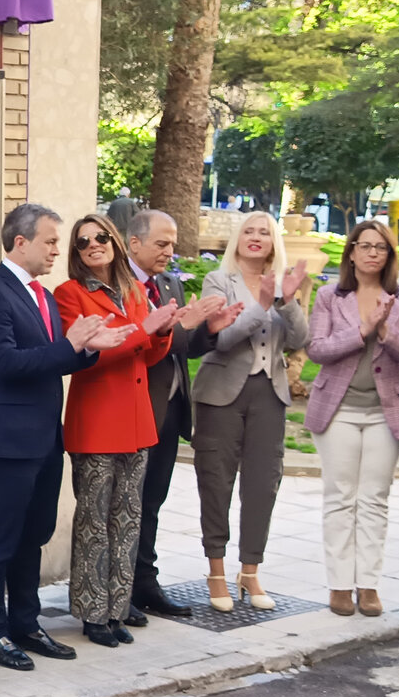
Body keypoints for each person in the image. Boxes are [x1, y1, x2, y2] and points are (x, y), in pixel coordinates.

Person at [0, 203, 129, 669]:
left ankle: (26, 623)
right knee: (1, 539)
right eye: (51, 241)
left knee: (33, 536)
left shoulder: (40, 294)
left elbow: (53, 358)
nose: (59, 249)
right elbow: (4, 364)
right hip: (9, 440)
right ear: (21, 242)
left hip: (44, 437)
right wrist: (70, 345)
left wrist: (87, 351)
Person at [54, 214, 182, 646]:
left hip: (137, 423)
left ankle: (116, 609)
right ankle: (93, 614)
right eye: (83, 241)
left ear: (115, 242)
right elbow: (90, 355)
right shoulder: (70, 294)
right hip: (96, 424)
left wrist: (161, 333)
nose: (93, 244)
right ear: (76, 252)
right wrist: (143, 330)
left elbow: (147, 356)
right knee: (94, 523)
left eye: (101, 236)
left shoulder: (133, 292)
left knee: (127, 522)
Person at [304, 221, 399, 616]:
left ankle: (368, 585)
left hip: (384, 412)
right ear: (352, 253)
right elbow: (317, 349)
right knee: (340, 497)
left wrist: (386, 330)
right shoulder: (329, 295)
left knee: (374, 499)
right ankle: (340, 584)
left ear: (390, 255)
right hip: (337, 410)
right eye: (366, 246)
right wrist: (362, 330)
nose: (373, 253)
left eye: (381, 247)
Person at [123, 209, 242, 619]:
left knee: (153, 501)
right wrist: (180, 327)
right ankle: (120, 588)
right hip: (135, 409)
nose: (169, 251)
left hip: (171, 410)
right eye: (161, 243)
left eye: (172, 244)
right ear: (134, 243)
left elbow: (184, 347)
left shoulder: (169, 283)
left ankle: (145, 583)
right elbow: (140, 344)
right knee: (129, 503)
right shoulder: (120, 288)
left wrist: (209, 329)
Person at [190, 211, 310, 612]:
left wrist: (288, 301)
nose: (255, 237)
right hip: (221, 394)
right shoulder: (218, 280)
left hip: (269, 394)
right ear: (237, 239)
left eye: (264, 232)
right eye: (248, 231)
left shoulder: (283, 281)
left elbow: (300, 339)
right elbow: (222, 339)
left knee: (262, 485)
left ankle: (250, 571)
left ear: (274, 242)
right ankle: (216, 572)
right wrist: (261, 305)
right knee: (216, 483)